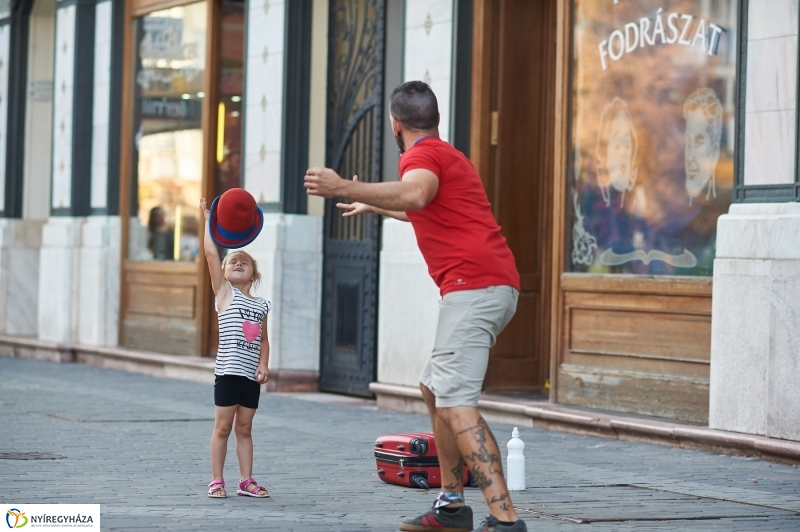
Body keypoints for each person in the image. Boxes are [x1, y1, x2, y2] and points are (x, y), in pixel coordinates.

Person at [305, 81, 525, 532]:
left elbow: (417, 194)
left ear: (395, 124)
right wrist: (371, 202)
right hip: (491, 286)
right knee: (433, 388)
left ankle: (505, 519)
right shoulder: (451, 156)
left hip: (474, 287)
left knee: (457, 400)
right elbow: (422, 206)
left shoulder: (420, 156)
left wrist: (343, 186)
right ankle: (450, 506)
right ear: (437, 119)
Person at [200, 198, 271, 499]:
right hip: (228, 374)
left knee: (245, 429)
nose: (238, 262)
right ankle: (217, 479)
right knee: (222, 428)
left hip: (249, 379)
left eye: (244, 261)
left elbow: (264, 339)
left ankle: (246, 481)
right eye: (233, 261)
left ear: (253, 273)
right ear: (225, 273)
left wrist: (264, 364)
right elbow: (210, 254)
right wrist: (207, 221)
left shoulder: (261, 304)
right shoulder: (224, 295)